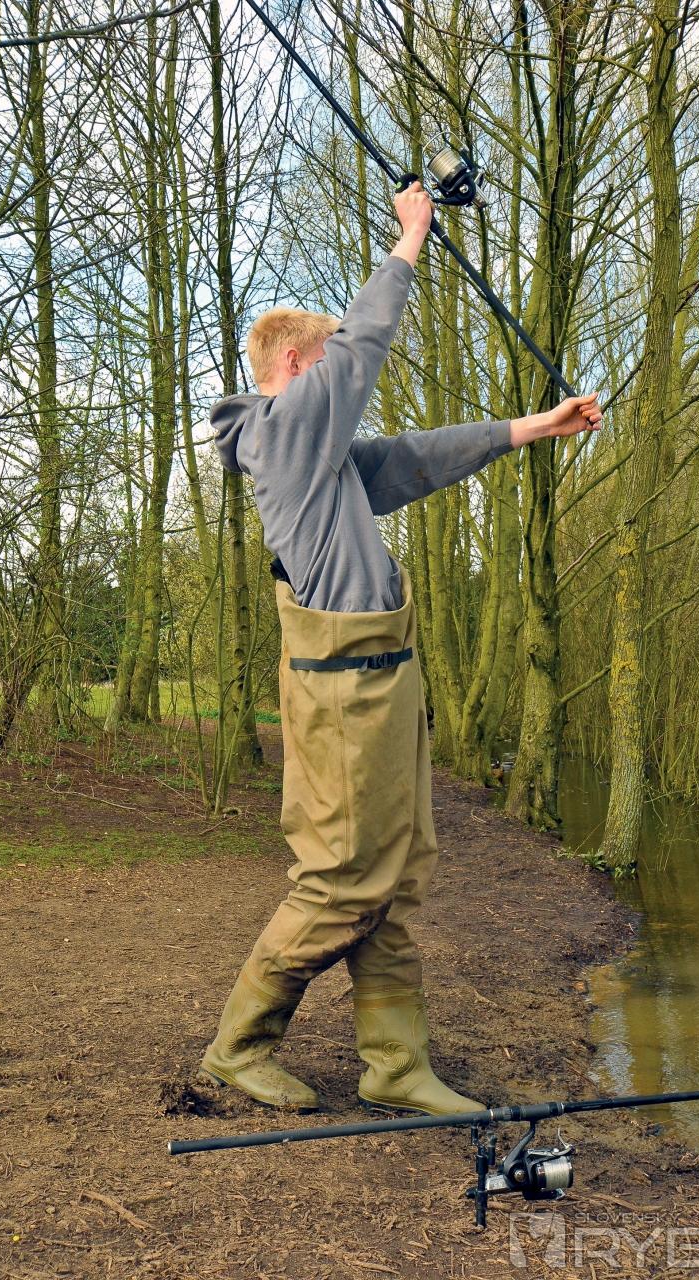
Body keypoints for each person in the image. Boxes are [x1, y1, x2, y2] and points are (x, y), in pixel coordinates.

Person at [204, 181, 602, 1115]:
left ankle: (395, 1064)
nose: (340, 390)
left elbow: (421, 456)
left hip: (381, 685)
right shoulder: (279, 436)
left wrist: (534, 428)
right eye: (325, 369)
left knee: (395, 873)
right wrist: (410, 239)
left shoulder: (326, 464)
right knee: (342, 879)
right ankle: (240, 1044)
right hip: (341, 696)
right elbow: (358, 354)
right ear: (296, 364)